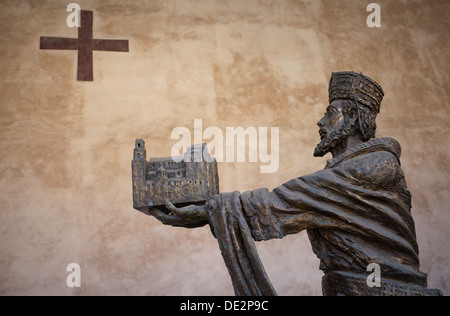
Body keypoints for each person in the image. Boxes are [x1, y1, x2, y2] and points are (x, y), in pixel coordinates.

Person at [149, 71, 442, 296]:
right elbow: (293, 200)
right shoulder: (352, 168)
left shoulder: (373, 167)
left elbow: (285, 201)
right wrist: (211, 210)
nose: (321, 122)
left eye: (330, 113)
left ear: (351, 116)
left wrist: (205, 211)